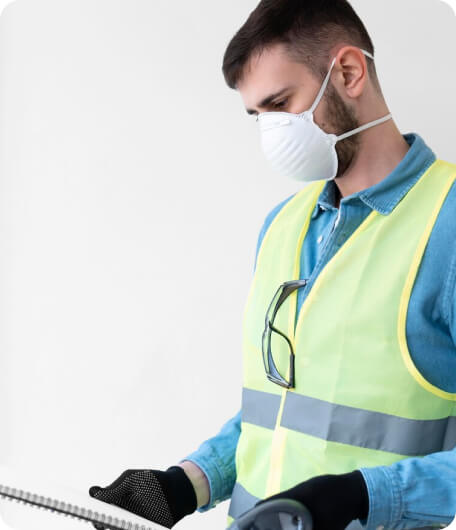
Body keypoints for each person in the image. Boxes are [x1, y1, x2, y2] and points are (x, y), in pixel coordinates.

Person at [88, 1, 456, 529]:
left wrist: (362, 495)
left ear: (348, 73)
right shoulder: (283, 225)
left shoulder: (448, 224)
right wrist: (183, 485)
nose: (271, 132)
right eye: (257, 115)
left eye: (280, 103)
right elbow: (280, 417)